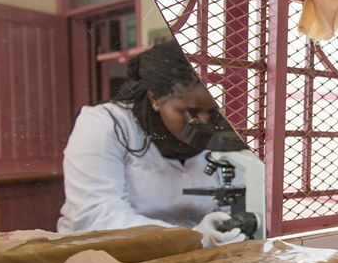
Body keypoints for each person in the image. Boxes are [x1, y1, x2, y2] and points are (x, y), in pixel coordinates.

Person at [57, 41, 245, 248]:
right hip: (111, 256)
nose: (204, 122)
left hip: (192, 258)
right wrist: (190, 237)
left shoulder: (219, 132)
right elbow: (96, 216)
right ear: (155, 99)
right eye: (189, 112)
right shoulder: (106, 124)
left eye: (213, 112)